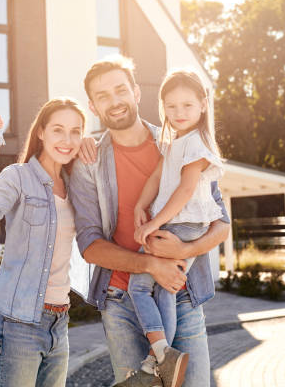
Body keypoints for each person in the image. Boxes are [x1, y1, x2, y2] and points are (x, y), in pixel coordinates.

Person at [70, 55, 230, 387]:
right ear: (93, 106)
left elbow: (222, 223)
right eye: (103, 96)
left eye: (120, 90)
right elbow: (89, 245)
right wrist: (149, 266)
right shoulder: (88, 162)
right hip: (122, 301)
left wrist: (184, 249)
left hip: (180, 292)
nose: (114, 101)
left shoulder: (179, 141)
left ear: (136, 92)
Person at [0, 98, 87, 387]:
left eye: (75, 131)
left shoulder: (76, 184)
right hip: (17, 321)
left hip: (60, 321)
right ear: (41, 132)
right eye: (58, 130)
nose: (67, 140)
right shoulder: (19, 177)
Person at [119, 69, 225, 387]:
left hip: (184, 224)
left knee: (138, 287)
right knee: (165, 286)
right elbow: (156, 178)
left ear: (203, 105)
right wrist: (140, 205)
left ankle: (161, 357)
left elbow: (184, 191)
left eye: (187, 106)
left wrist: (154, 221)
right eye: (172, 106)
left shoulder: (196, 144)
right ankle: (164, 356)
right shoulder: (176, 141)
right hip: (179, 223)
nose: (179, 113)